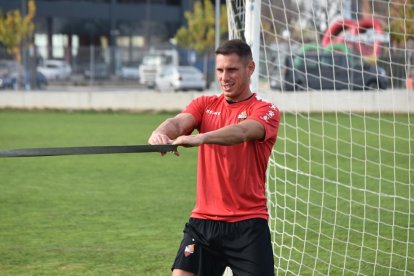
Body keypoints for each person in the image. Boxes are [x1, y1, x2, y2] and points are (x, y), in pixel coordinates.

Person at [148, 39, 280, 276]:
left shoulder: (265, 111)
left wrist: (200, 138)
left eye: (232, 70)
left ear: (250, 68)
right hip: (203, 223)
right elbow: (178, 122)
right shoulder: (204, 104)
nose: (224, 77)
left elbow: (241, 132)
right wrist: (161, 133)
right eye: (220, 70)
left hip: (248, 225)